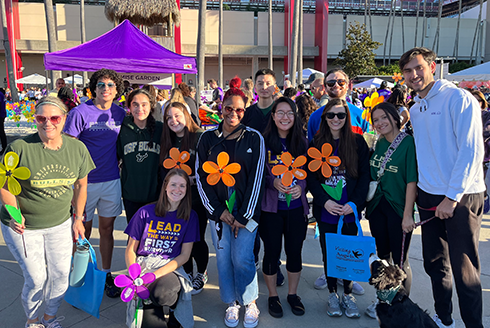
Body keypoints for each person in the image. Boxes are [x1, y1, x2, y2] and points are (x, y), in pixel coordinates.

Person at [400, 47, 485, 328]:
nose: (414, 75)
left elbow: (471, 150)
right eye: (408, 71)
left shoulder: (458, 98)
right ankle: (444, 318)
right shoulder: (415, 107)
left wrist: (452, 197)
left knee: (465, 271)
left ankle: (473, 324)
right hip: (429, 194)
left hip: (460, 195)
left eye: (418, 68)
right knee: (435, 263)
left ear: (432, 67)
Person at [0, 96, 95, 328]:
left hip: (60, 223)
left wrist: (78, 218)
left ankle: (49, 318)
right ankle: (32, 321)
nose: (48, 123)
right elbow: (4, 185)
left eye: (54, 118)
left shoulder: (77, 149)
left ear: (64, 119)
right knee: (36, 279)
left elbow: (82, 185)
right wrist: (14, 213)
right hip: (24, 227)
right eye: (41, 118)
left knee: (61, 276)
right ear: (36, 120)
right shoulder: (19, 148)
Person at [196, 87, 265, 328]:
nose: (233, 113)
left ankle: (250, 301)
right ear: (221, 108)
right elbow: (201, 179)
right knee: (224, 258)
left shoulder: (254, 138)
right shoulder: (207, 139)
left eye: (238, 109)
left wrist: (242, 217)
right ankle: (232, 302)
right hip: (219, 215)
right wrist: (220, 213)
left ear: (244, 111)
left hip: (247, 216)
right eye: (228, 108)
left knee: (243, 258)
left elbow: (258, 178)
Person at [63, 68, 126, 298]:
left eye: (110, 85)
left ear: (117, 90)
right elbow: (68, 148)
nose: (106, 89)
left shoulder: (121, 114)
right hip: (84, 184)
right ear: (93, 88)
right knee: (82, 232)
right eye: (101, 84)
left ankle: (106, 274)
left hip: (111, 181)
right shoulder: (80, 113)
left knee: (107, 230)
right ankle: (79, 275)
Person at [305, 98, 370, 318]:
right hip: (327, 212)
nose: (335, 119)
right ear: (324, 118)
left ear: (346, 117)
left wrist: (354, 204)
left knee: (349, 254)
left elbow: (364, 178)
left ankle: (347, 294)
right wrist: (324, 201)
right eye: (331, 115)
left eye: (340, 115)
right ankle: (333, 293)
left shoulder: (358, 142)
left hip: (349, 212)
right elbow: (312, 180)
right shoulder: (315, 143)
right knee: (330, 253)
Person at [124, 168, 199, 328]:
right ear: (165, 186)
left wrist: (154, 276)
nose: (177, 189)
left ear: (187, 190)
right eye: (173, 184)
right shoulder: (144, 212)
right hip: (143, 265)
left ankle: (171, 308)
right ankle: (148, 301)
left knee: (162, 294)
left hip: (169, 268)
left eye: (182, 186)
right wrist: (135, 277)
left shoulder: (190, 216)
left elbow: (185, 255)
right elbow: (130, 249)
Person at [364, 102, 417, 319]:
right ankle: (383, 299)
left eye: (384, 117)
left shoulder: (408, 143)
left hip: (398, 208)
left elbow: (412, 181)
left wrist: (407, 215)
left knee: (400, 260)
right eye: (375, 120)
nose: (380, 123)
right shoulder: (377, 143)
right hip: (377, 207)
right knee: (383, 257)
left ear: (395, 117)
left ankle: (402, 302)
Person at [261, 97, 309, 318]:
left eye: (289, 113)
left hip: (295, 209)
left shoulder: (302, 142)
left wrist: (301, 187)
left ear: (295, 116)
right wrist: (273, 182)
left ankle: (292, 294)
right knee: (271, 253)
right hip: (271, 209)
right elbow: (257, 175)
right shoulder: (262, 142)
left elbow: (309, 173)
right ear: (273, 116)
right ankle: (272, 295)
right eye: (280, 112)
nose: (285, 117)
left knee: (294, 252)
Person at [159, 101, 209, 295]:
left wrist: (193, 179)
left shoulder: (200, 137)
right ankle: (186, 272)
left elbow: (209, 169)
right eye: (169, 117)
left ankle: (201, 273)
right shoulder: (167, 141)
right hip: (175, 201)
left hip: (196, 199)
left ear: (187, 115)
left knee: (196, 238)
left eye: (177, 115)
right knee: (179, 238)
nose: (174, 121)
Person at [117, 89, 163, 224]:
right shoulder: (122, 129)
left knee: (152, 237)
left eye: (144, 104)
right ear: (129, 107)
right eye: (135, 104)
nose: (140, 109)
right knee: (134, 235)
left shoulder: (161, 129)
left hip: (155, 194)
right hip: (131, 193)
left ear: (151, 106)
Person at [307, 69, 368, 143]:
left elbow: (367, 146)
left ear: (347, 86)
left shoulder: (361, 115)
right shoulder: (315, 117)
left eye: (341, 82)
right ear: (325, 88)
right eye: (331, 83)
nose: (336, 85)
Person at [242, 68, 277, 133]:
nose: (264, 87)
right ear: (255, 87)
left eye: (268, 84)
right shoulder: (247, 113)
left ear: (274, 88)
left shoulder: (280, 112)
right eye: (260, 84)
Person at [0, 88, 7, 154]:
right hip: (2, 114)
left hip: (0, 115)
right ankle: (4, 147)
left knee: (1, 132)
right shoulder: (1, 94)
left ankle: (4, 147)